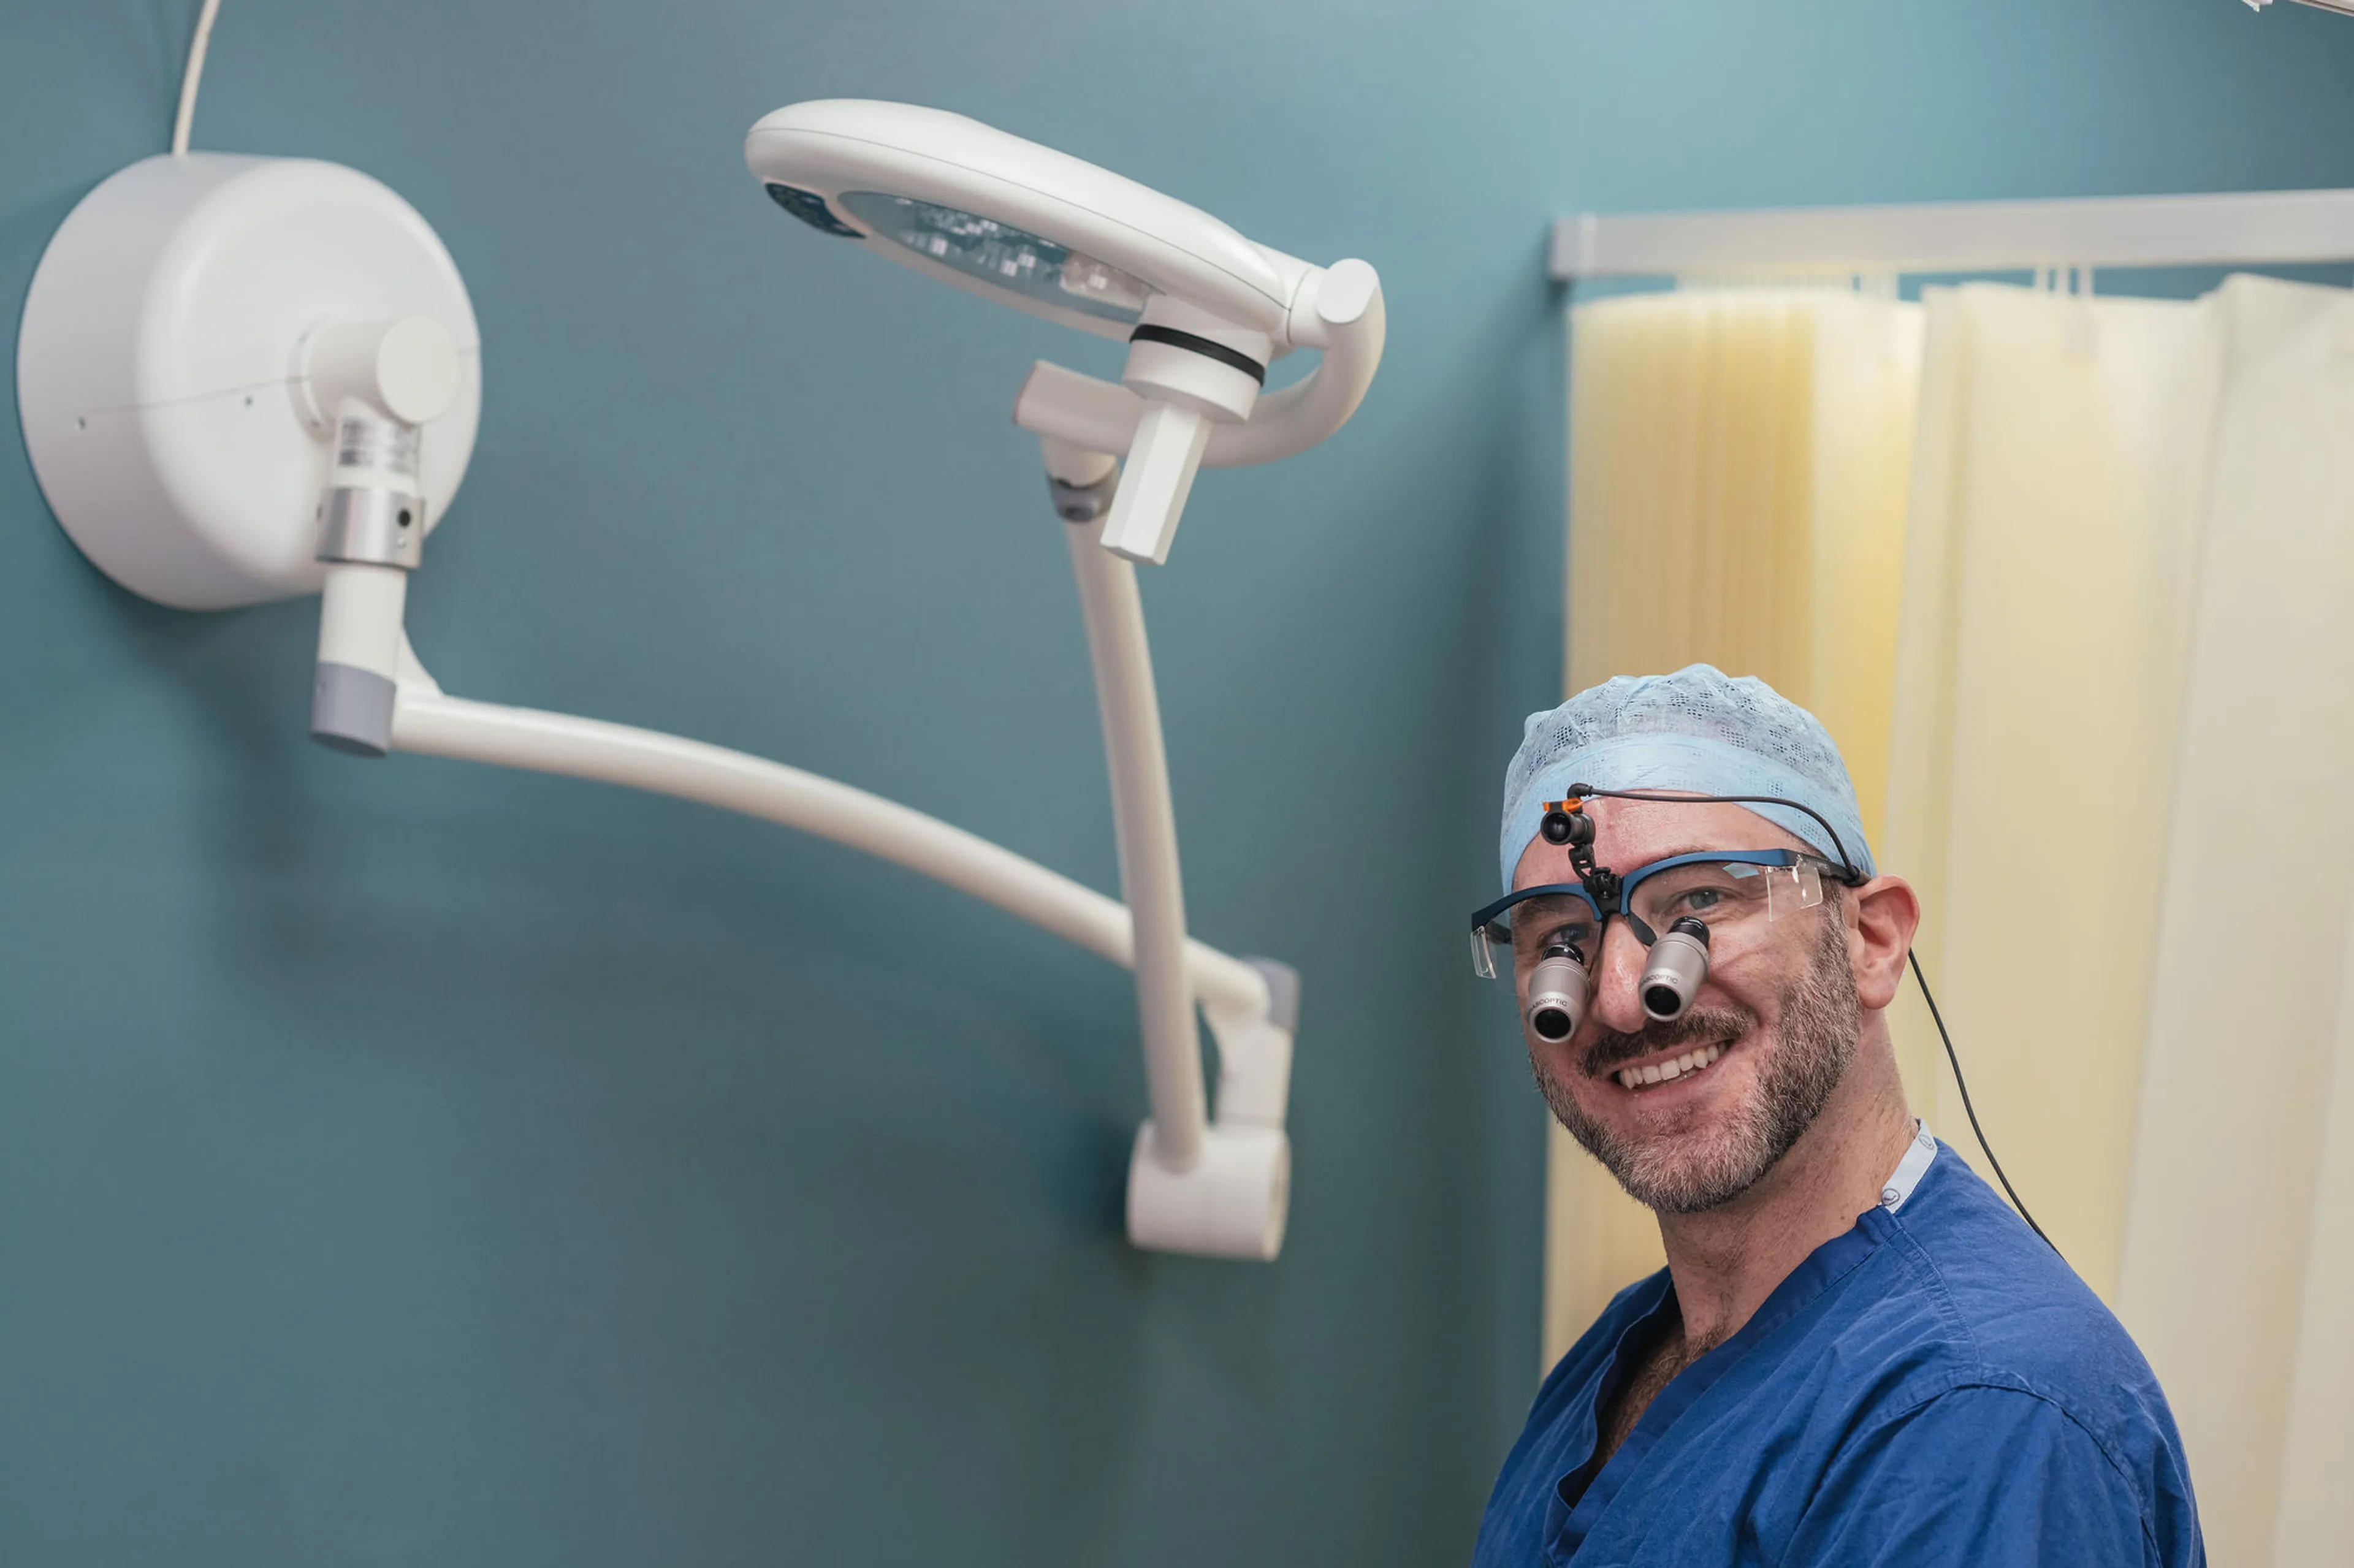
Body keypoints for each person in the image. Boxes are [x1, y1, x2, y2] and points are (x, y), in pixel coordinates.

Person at [1468, 665, 2201, 1566]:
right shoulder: (1629, 1348)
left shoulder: (1975, 1420)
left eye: (1698, 901)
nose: (1622, 997)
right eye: (1560, 941)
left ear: (1871, 939)